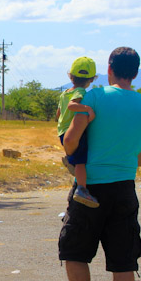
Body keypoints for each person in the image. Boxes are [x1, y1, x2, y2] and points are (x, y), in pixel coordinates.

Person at [59, 47, 141, 281]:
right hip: (125, 190)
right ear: (137, 73)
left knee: (74, 251)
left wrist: (70, 143)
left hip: (90, 189)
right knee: (124, 262)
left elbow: (71, 141)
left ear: (110, 68)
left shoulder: (96, 97)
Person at [56, 56, 99, 208]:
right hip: (72, 132)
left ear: (70, 76)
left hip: (62, 131)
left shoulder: (65, 93)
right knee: (81, 162)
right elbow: (72, 106)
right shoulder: (80, 92)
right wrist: (87, 109)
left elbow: (59, 112)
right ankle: (82, 189)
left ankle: (70, 159)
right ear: (92, 79)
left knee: (76, 157)